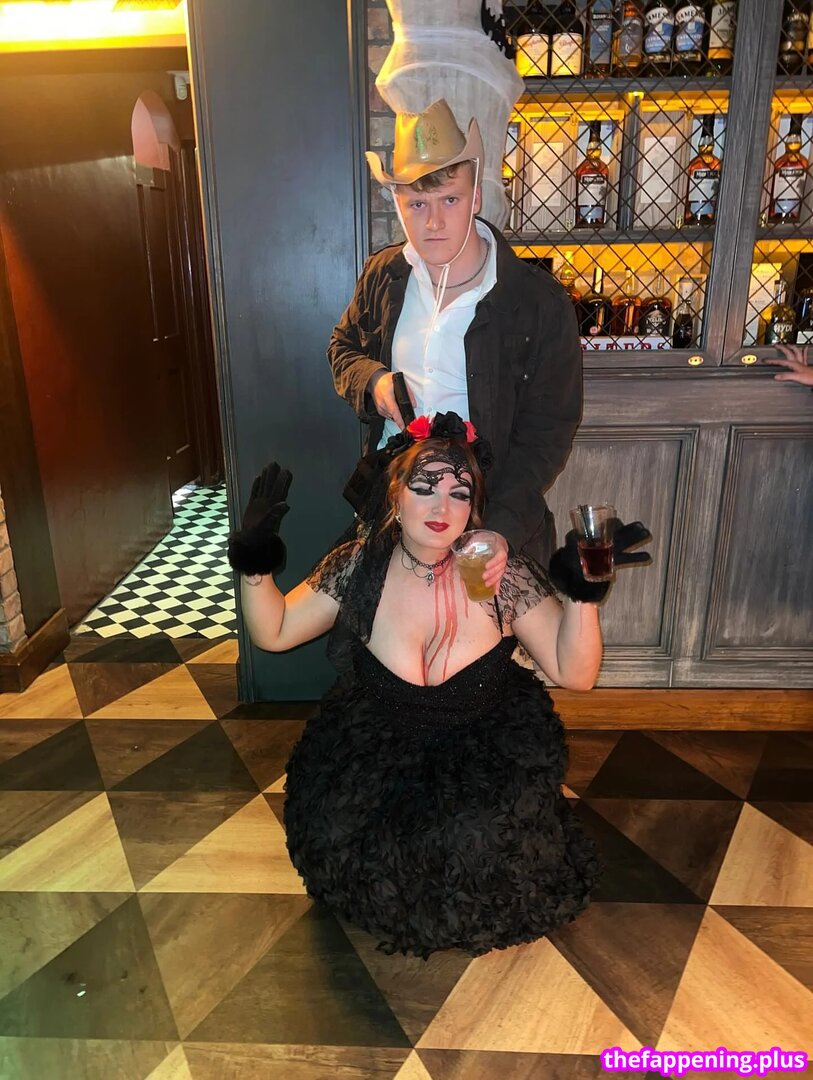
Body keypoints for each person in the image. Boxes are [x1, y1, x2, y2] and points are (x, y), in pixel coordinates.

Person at [228, 412, 651, 960]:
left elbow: (576, 673)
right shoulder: (359, 565)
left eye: (458, 493)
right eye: (424, 487)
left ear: (474, 507)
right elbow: (275, 631)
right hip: (376, 750)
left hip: (481, 748)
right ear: (394, 495)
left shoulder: (496, 573)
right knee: (342, 831)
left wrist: (582, 597)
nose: (441, 507)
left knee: (473, 840)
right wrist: (255, 564)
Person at [328, 98, 583, 583]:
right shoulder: (384, 275)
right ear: (397, 203)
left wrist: (500, 528)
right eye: (417, 204)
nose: (433, 222)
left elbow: (547, 433)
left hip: (488, 515)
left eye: (450, 199)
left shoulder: (537, 301)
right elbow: (342, 348)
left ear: (476, 196)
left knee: (484, 633)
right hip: (395, 512)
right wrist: (374, 382)